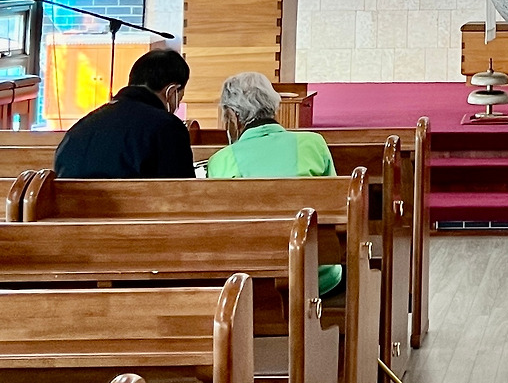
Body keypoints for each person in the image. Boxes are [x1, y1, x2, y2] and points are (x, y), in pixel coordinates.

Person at [208, 72, 342, 294]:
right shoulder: (313, 144)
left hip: (251, 279)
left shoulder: (221, 160)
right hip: (315, 273)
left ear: (233, 116)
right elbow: (336, 207)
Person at [54, 46, 196, 177]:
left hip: (69, 198)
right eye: (179, 98)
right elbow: (182, 190)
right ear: (171, 91)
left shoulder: (80, 128)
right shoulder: (167, 127)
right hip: (136, 198)